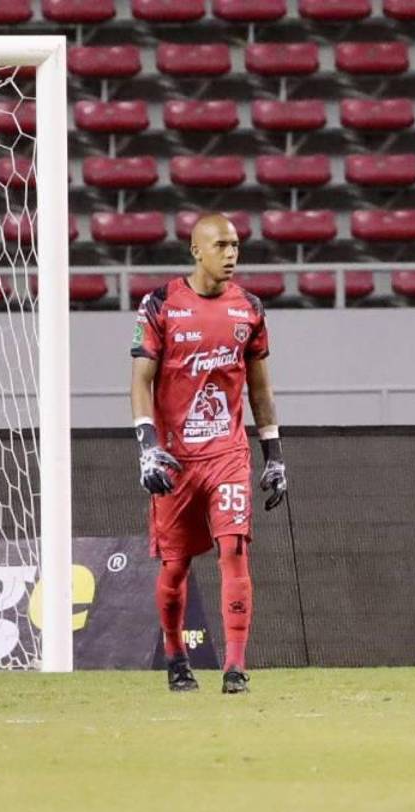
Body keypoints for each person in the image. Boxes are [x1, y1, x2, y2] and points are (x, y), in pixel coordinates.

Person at [129, 213, 287, 694]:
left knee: (234, 549)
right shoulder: (160, 304)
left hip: (228, 455)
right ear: (196, 250)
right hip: (177, 459)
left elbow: (260, 390)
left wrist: (274, 455)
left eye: (236, 245)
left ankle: (235, 667)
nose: (231, 253)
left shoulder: (251, 309)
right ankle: (176, 659)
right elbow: (141, 380)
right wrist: (147, 448)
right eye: (220, 245)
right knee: (175, 566)